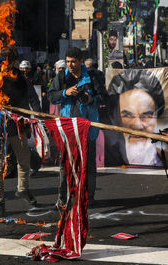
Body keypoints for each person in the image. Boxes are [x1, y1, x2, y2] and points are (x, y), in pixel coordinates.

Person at [47, 47, 105, 206]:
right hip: (68, 127)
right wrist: (65, 92)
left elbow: (104, 97)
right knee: (65, 163)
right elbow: (51, 96)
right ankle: (63, 197)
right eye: (67, 62)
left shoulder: (93, 76)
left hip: (88, 127)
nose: (70, 65)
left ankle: (89, 197)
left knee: (88, 164)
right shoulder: (61, 77)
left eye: (73, 61)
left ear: (81, 61)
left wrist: (91, 99)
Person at [0, 46, 37, 218]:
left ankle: (23, 189)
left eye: (12, 60)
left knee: (24, 160)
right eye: (7, 60)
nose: (11, 63)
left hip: (18, 125)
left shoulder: (21, 77)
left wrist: (28, 123)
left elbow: (27, 101)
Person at [105, 69, 165, 166]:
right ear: (114, 118)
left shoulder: (164, 158)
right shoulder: (106, 158)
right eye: (128, 115)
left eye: (146, 115)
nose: (137, 125)